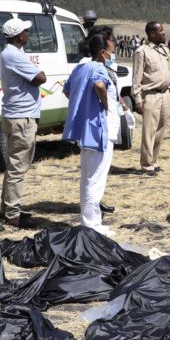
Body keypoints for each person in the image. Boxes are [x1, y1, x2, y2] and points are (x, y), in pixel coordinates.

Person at [63, 34, 118, 235]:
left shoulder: (80, 68)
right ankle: (91, 224)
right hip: (99, 129)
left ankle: (90, 221)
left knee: (87, 176)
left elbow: (67, 91)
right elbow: (100, 85)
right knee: (96, 178)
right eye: (111, 52)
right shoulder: (98, 69)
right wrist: (103, 104)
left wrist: (83, 104)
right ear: (102, 53)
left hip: (85, 129)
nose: (112, 55)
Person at [0, 18, 47, 228]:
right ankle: (12, 214)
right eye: (25, 31)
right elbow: (40, 78)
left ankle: (7, 208)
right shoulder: (13, 55)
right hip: (22, 117)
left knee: (13, 165)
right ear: (19, 36)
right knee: (18, 167)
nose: (28, 34)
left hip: (14, 115)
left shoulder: (11, 54)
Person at [132, 21, 170, 173]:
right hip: (150, 96)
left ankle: (153, 161)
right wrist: (138, 99)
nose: (164, 33)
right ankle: (146, 165)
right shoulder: (142, 52)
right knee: (149, 132)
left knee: (160, 131)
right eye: (160, 31)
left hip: (165, 95)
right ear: (152, 34)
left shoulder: (165, 50)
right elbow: (136, 78)